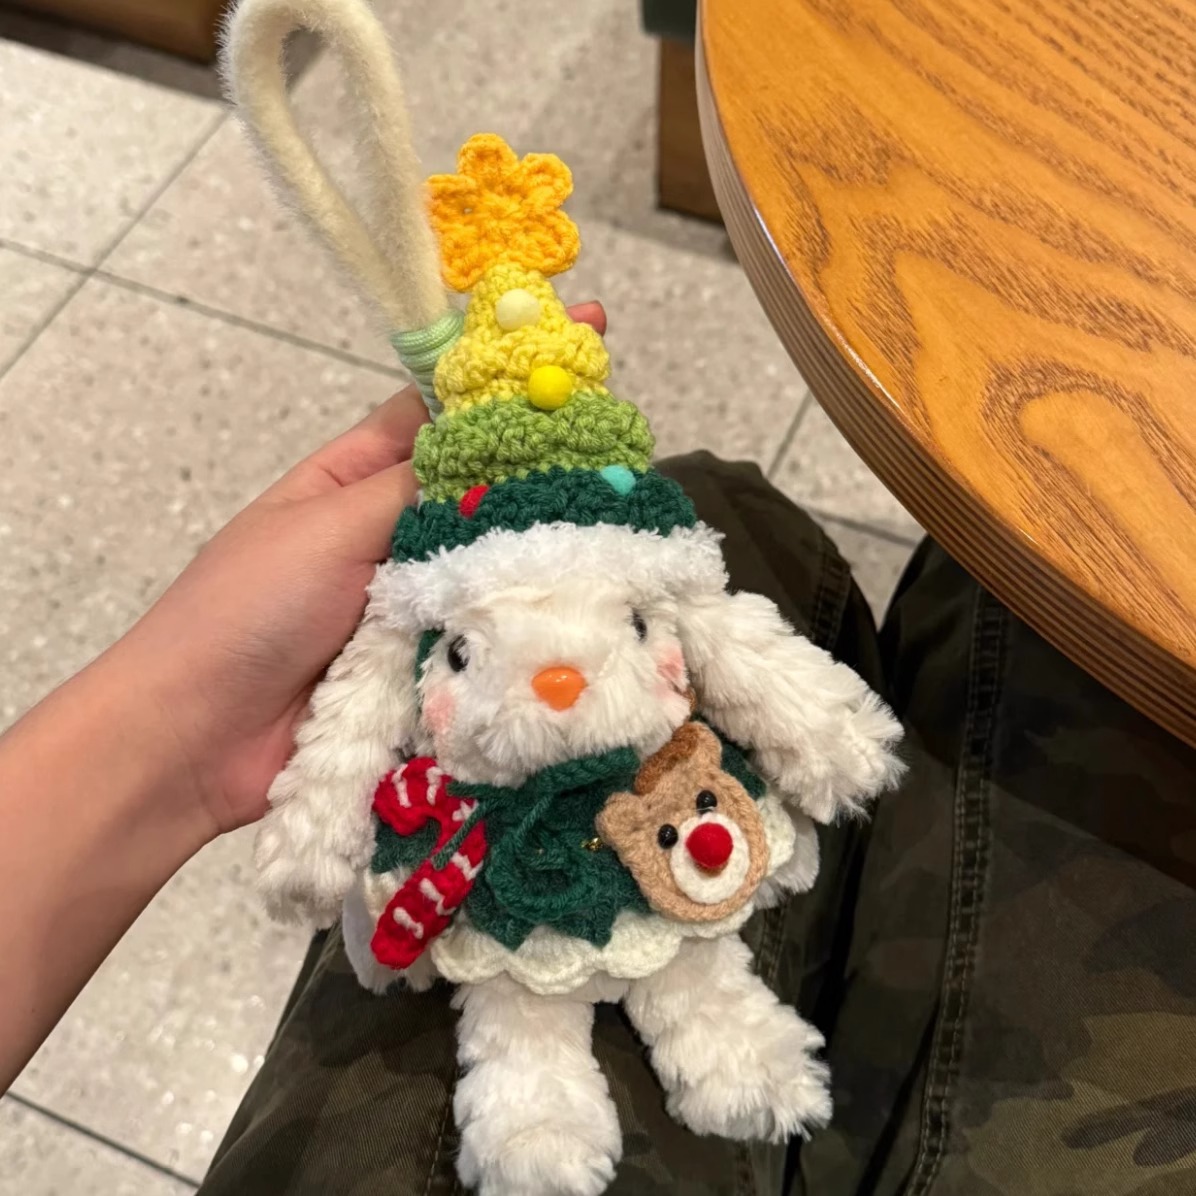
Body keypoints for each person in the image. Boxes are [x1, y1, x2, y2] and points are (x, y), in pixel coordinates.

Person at [3, 299, 1195, 1193]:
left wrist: (823, 734)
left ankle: (735, 1051)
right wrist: (304, 825)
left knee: (695, 960)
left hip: (658, 827)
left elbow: (738, 645)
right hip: (494, 871)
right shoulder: (407, 620)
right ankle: (539, 1112)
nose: (563, 681)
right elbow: (356, 707)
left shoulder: (646, 579)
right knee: (518, 1008)